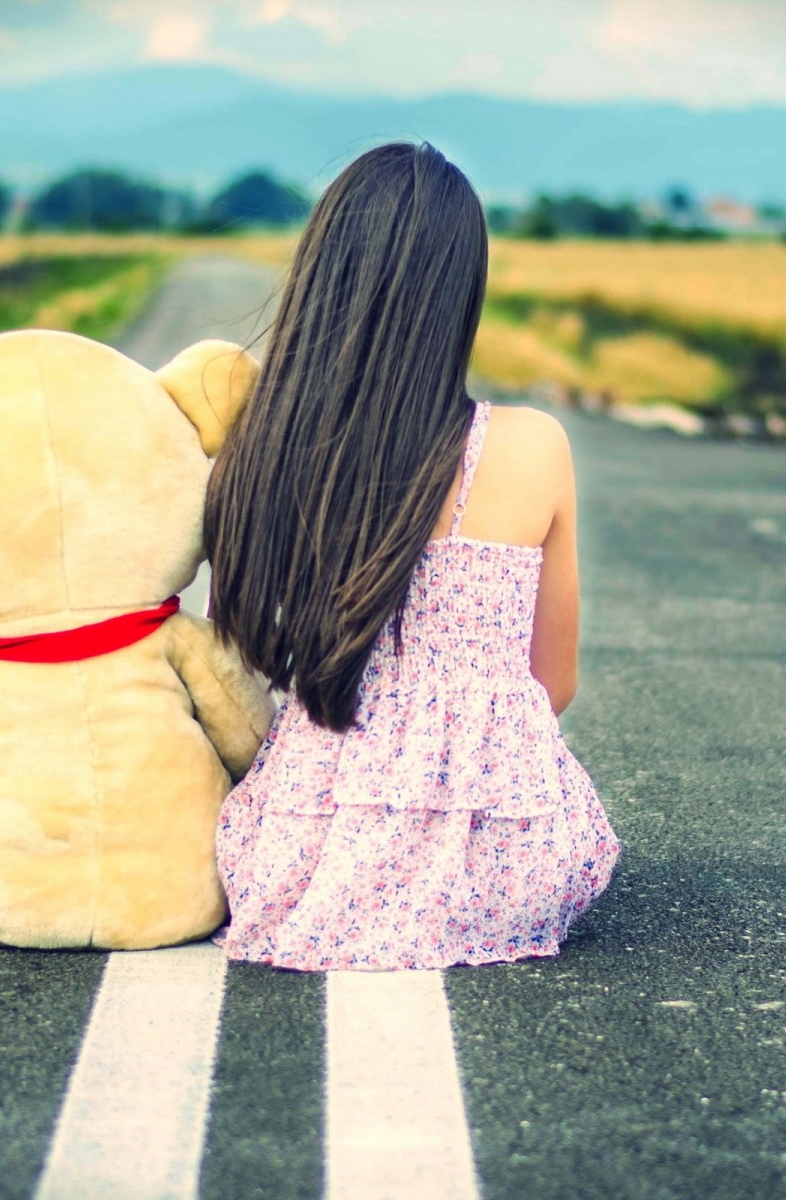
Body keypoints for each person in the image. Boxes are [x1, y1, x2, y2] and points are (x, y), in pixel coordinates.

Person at [203, 141, 619, 971]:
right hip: (502, 865)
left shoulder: (263, 443)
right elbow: (553, 686)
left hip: (299, 856)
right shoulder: (532, 445)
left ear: (321, 277)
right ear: (460, 292)